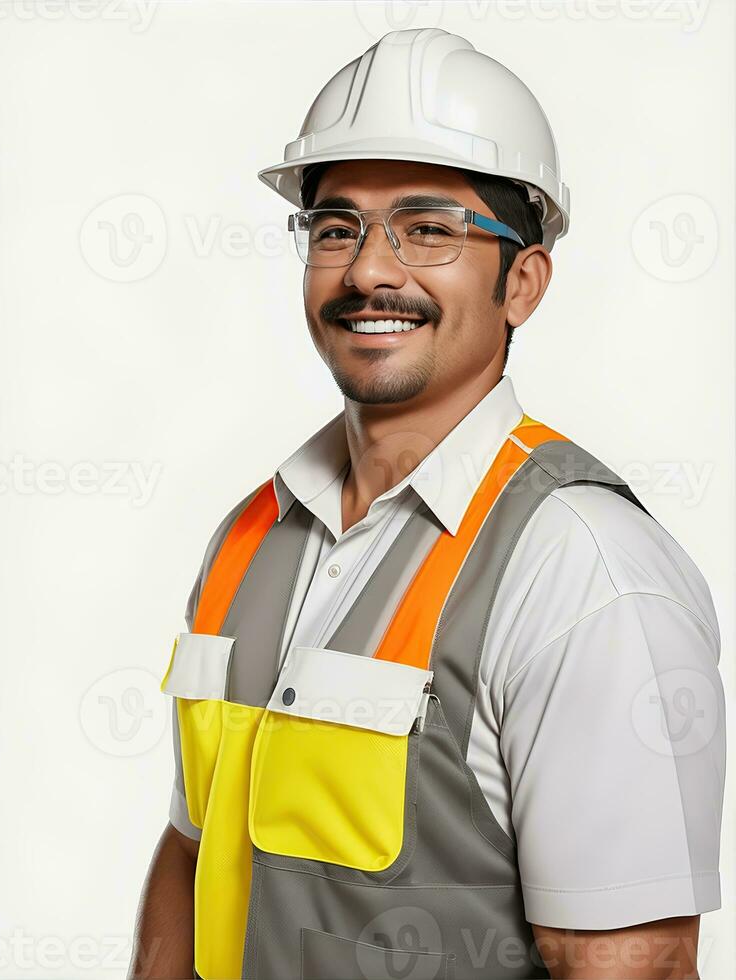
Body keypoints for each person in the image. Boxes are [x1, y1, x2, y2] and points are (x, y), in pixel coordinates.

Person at [129, 27, 725, 980]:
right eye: (337, 227)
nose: (370, 270)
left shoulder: (584, 574)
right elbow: (194, 853)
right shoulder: (249, 536)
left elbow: (630, 963)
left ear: (521, 281)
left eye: (429, 228)